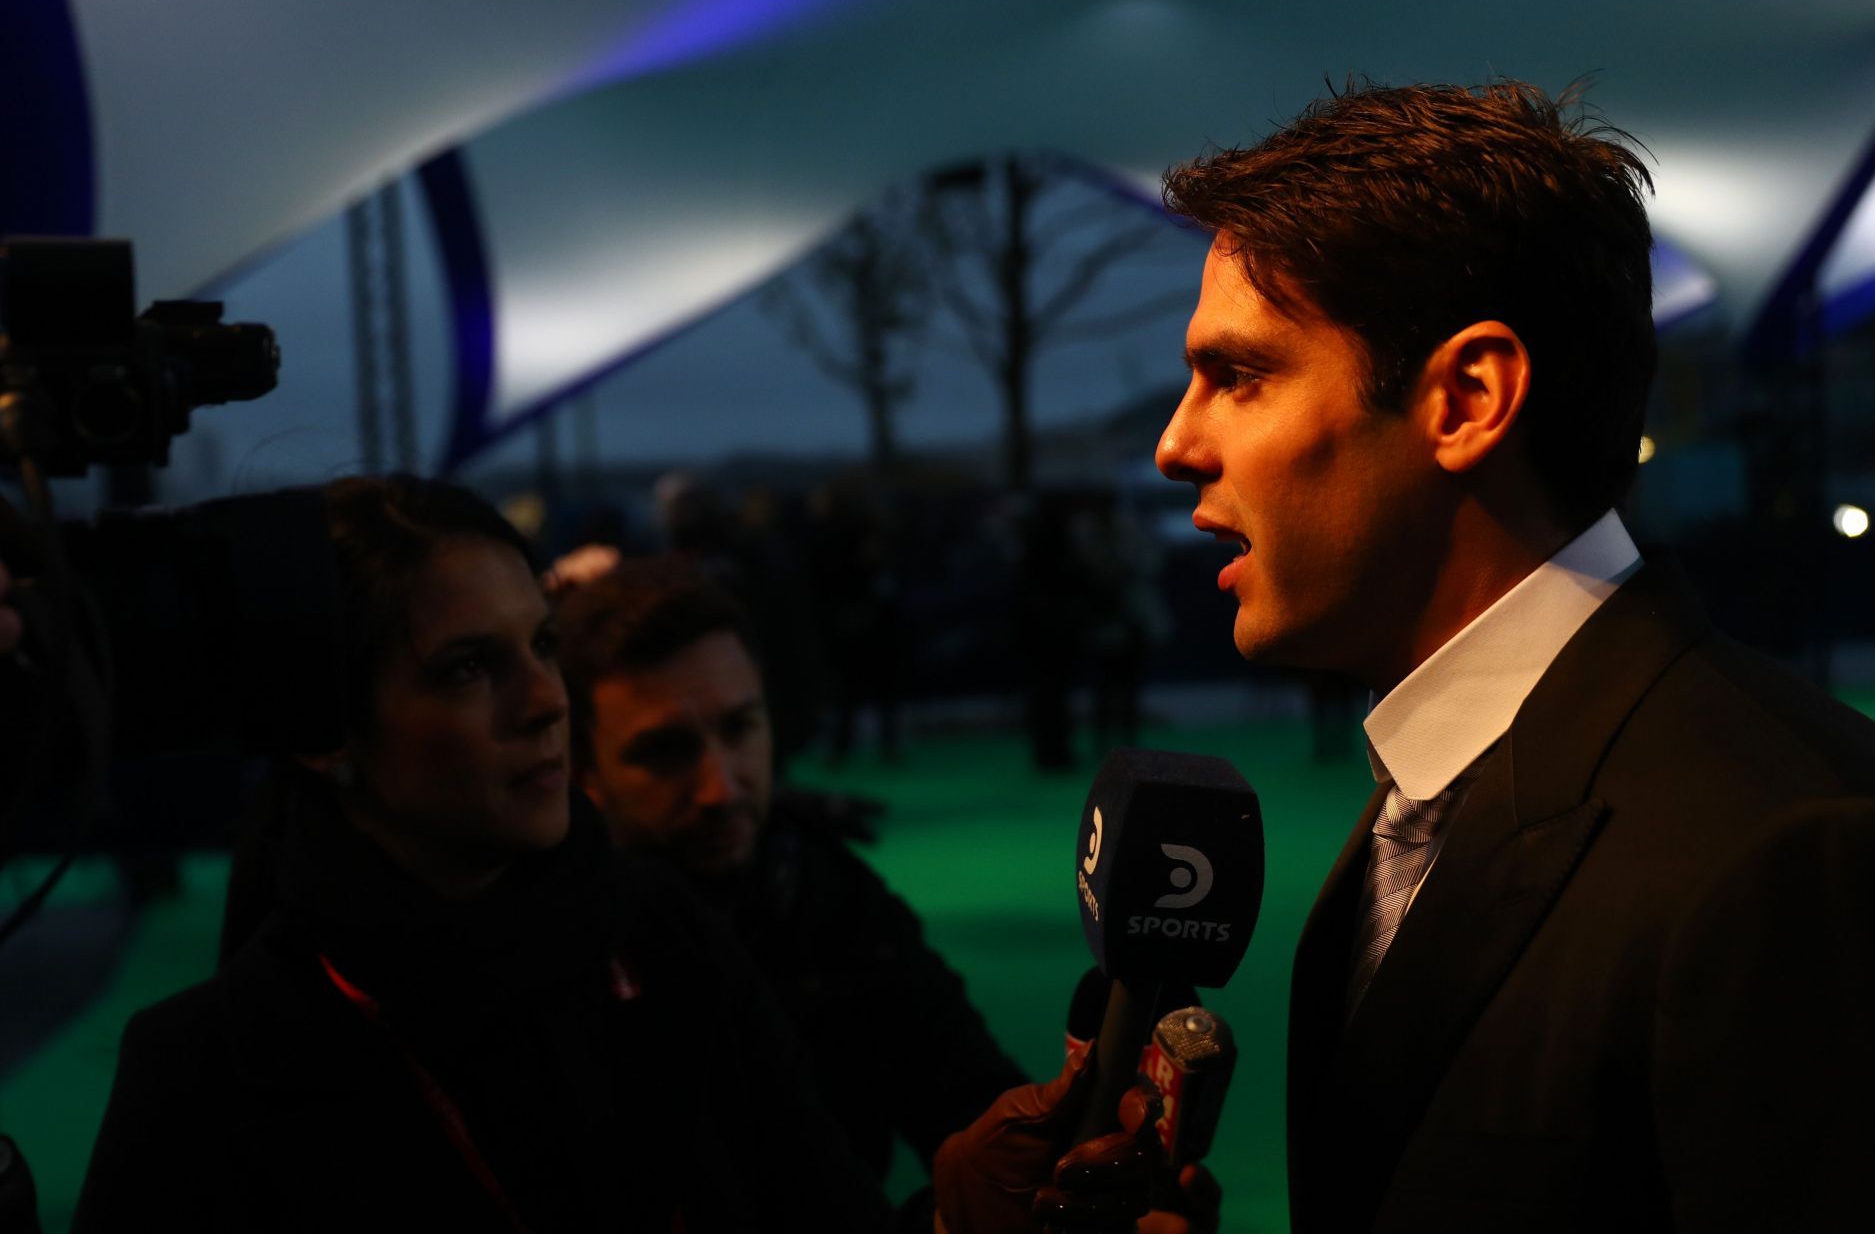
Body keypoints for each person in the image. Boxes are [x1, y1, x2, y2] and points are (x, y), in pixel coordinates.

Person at [1151, 81, 1875, 1231]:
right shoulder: (1423, 806)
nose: (1178, 443)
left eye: (1242, 374)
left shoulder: (1791, 851)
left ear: (1468, 397)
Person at [73, 475, 1158, 1233]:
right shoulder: (210, 1067)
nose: (541, 701)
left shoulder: (667, 938)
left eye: (539, 646)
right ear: (326, 734)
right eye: (465, 667)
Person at [552, 555, 1029, 1182]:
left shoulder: (828, 897)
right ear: (580, 773)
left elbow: (977, 1106)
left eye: (740, 727)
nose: (720, 788)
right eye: (665, 751)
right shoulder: (548, 961)